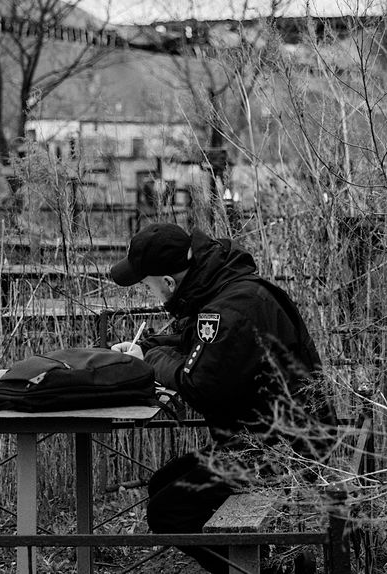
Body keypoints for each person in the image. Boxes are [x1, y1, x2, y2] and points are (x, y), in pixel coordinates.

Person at [110, 222, 334, 574]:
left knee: (169, 511)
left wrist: (148, 361)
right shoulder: (224, 289)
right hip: (269, 437)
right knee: (162, 486)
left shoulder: (227, 309)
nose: (147, 291)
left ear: (168, 282)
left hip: (281, 449)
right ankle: (268, 561)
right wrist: (147, 347)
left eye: (147, 284)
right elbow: (198, 347)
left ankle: (272, 571)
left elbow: (200, 384)